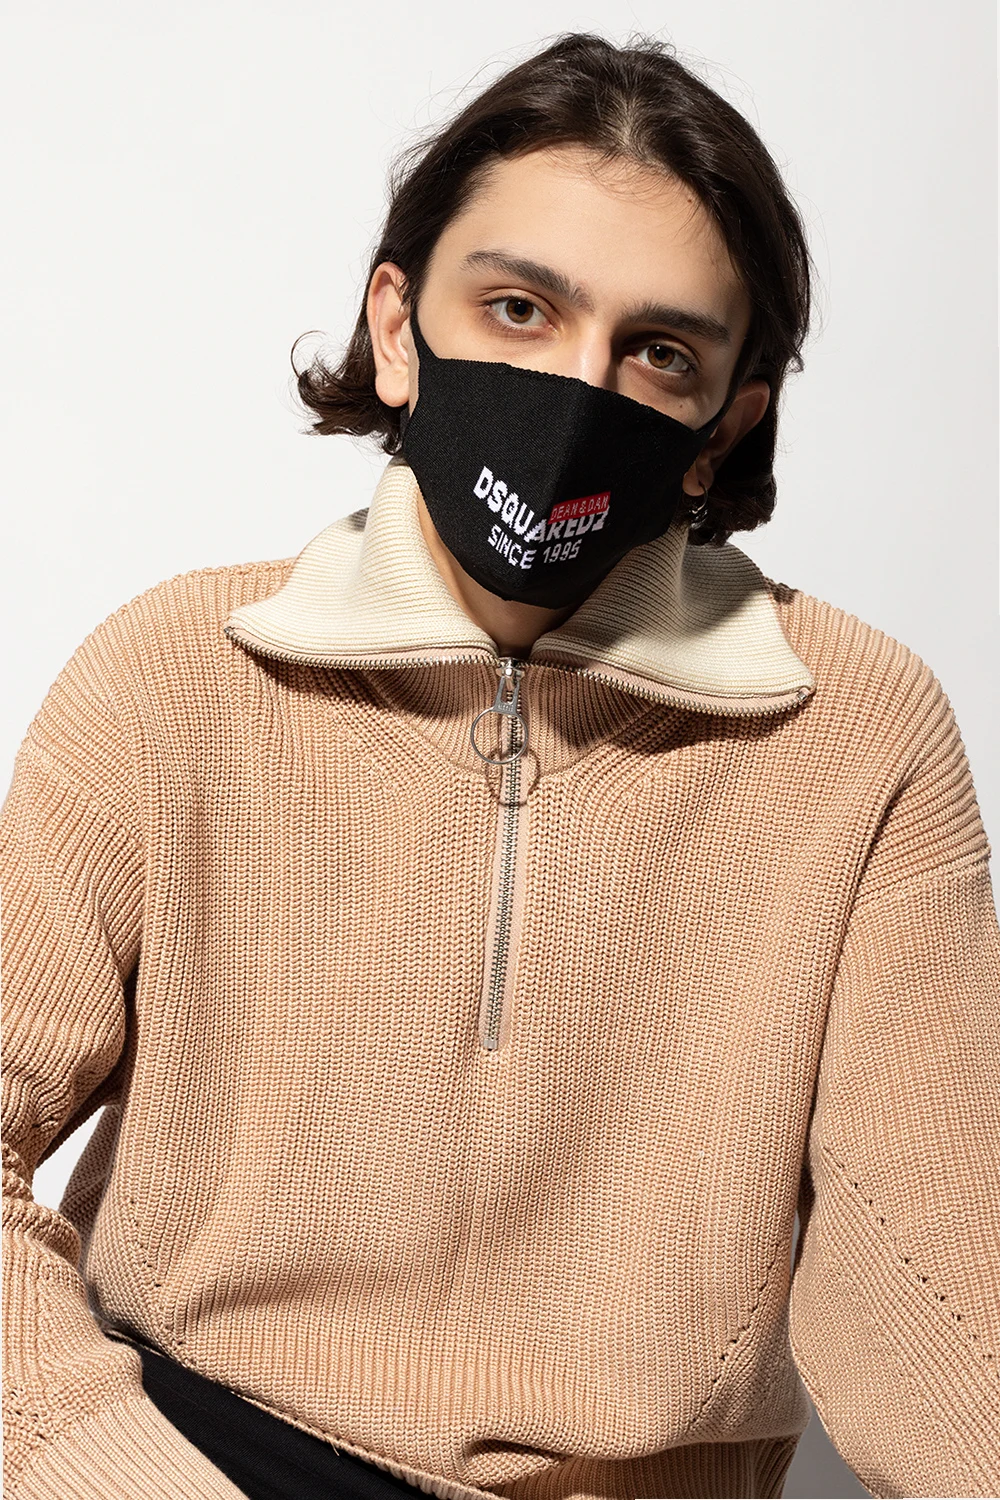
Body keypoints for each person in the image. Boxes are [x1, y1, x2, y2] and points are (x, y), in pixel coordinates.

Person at [2, 30, 998, 1500]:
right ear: (400, 328)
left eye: (659, 353)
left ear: (727, 424)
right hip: (202, 1457)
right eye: (519, 309)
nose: (576, 392)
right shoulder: (174, 676)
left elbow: (935, 1279)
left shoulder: (859, 731)